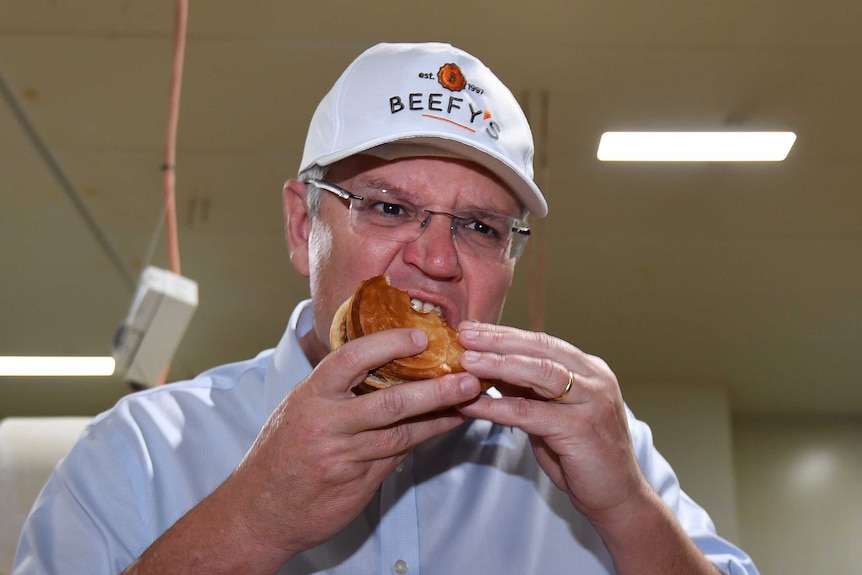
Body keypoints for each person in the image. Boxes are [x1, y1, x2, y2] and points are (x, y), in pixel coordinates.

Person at [13, 42, 758, 575]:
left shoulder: (601, 452)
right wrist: (253, 521)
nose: (436, 258)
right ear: (305, 228)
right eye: (390, 206)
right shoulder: (138, 455)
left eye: (479, 227)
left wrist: (629, 512)